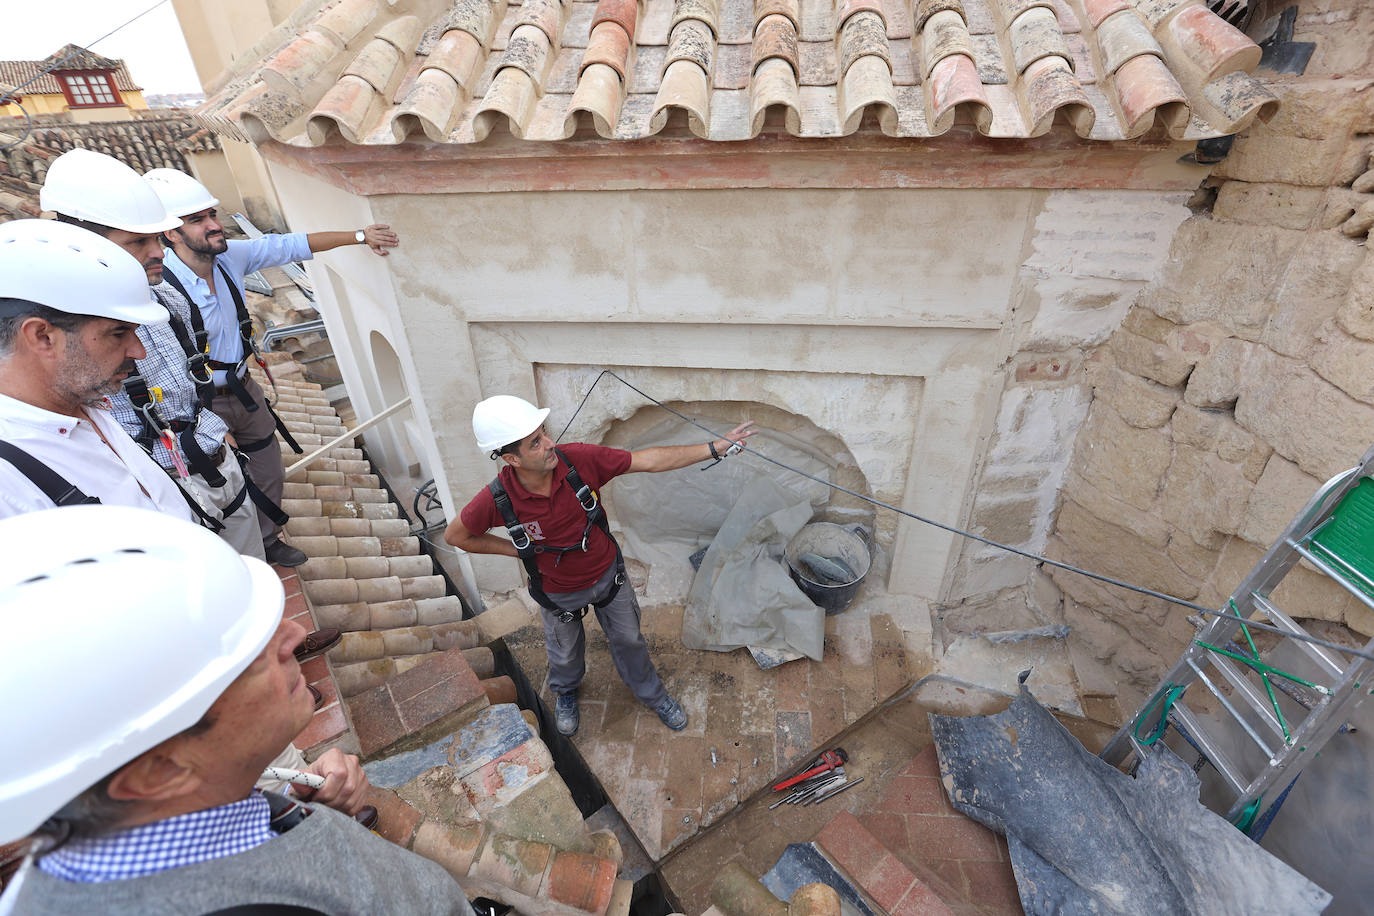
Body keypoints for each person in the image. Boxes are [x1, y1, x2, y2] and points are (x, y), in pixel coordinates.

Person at [0, 506, 475, 916]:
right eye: (246, 656)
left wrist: (298, 796)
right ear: (158, 770)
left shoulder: (183, 806)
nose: (292, 636)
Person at [445, 395, 756, 736]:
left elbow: (647, 461)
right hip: (557, 592)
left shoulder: (578, 461)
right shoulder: (498, 499)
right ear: (511, 458)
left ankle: (651, 693)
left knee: (629, 640)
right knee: (563, 654)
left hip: (609, 577)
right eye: (536, 443)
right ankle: (565, 692)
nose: (550, 443)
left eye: (544, 432)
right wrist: (517, 551)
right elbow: (457, 536)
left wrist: (715, 447)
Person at [145, 168, 399, 568]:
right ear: (170, 233)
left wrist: (360, 236)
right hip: (197, 403)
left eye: (212, 215)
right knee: (220, 483)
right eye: (197, 220)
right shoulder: (158, 286)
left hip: (243, 390)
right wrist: (201, 421)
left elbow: (290, 246)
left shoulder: (229, 257)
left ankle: (267, 539)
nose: (214, 226)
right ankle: (234, 559)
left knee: (268, 468)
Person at [39, 148, 268, 562]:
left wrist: (215, 431)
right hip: (160, 494)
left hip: (220, 469)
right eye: (138, 241)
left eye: (157, 238)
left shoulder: (168, 300)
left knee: (251, 570)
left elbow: (187, 383)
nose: (159, 250)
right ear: (88, 244)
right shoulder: (66, 342)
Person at [0, 219, 194, 521]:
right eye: (118, 333)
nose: (138, 352)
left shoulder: (81, 401)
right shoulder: (8, 485)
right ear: (42, 337)